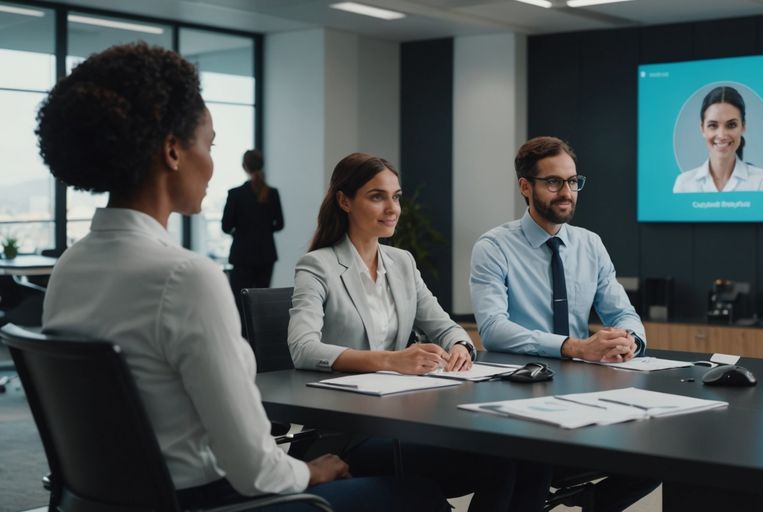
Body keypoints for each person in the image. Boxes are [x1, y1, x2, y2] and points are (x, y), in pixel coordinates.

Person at [36, 43, 446, 511]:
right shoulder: (186, 277)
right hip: (209, 503)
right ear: (173, 150)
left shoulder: (71, 267)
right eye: (208, 145)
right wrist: (312, 471)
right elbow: (256, 469)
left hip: (109, 502)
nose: (212, 165)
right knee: (420, 497)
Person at [288, 151, 549, 511]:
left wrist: (459, 345)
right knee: (500, 461)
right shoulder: (317, 266)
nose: (392, 208)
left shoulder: (402, 263)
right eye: (377, 196)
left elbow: (445, 326)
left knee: (527, 457)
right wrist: (392, 361)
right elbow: (303, 348)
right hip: (347, 435)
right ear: (344, 201)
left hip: (404, 421)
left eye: (395, 197)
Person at [469, 136, 659, 511]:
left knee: (657, 449)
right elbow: (493, 328)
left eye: (573, 181)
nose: (566, 192)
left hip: (583, 389)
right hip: (519, 393)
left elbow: (624, 313)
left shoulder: (590, 245)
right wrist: (573, 346)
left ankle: (588, 500)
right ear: (526, 186)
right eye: (553, 182)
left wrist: (629, 342)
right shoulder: (493, 247)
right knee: (529, 462)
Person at [673, 85, 763, 193]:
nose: (721, 135)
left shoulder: (760, 180)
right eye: (713, 125)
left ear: (743, 126)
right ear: (702, 128)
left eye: (731, 125)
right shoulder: (684, 183)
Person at [222, 149, 284, 312]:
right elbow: (280, 224)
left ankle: (242, 338)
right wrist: (263, 230)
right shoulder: (272, 193)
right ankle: (258, 338)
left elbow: (225, 226)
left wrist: (240, 232)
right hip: (266, 255)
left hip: (242, 256)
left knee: (240, 305)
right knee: (261, 304)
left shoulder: (235, 194)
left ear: (244, 167)